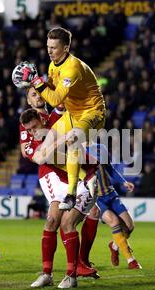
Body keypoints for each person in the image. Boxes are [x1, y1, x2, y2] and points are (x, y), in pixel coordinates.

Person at [15, 27, 107, 210]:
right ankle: (88, 175)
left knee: (72, 138)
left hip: (92, 112)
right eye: (48, 47)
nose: (49, 51)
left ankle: (71, 194)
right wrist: (33, 82)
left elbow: (56, 99)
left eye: (54, 47)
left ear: (65, 48)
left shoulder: (72, 68)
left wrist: (35, 81)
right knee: (46, 147)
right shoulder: (52, 65)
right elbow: (51, 92)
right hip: (73, 114)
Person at [20, 108, 99, 289]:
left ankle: (71, 276)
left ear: (41, 119)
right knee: (51, 221)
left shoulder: (57, 122)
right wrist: (62, 139)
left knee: (67, 223)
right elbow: (41, 159)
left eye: (34, 127)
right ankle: (47, 274)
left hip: (86, 179)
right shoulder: (33, 144)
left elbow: (63, 104)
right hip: (64, 185)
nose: (33, 133)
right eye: (29, 130)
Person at [85, 143, 142, 269]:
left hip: (111, 194)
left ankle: (115, 245)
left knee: (129, 226)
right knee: (114, 222)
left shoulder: (100, 147)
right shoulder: (78, 151)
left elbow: (110, 169)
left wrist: (124, 182)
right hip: (97, 198)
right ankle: (131, 260)